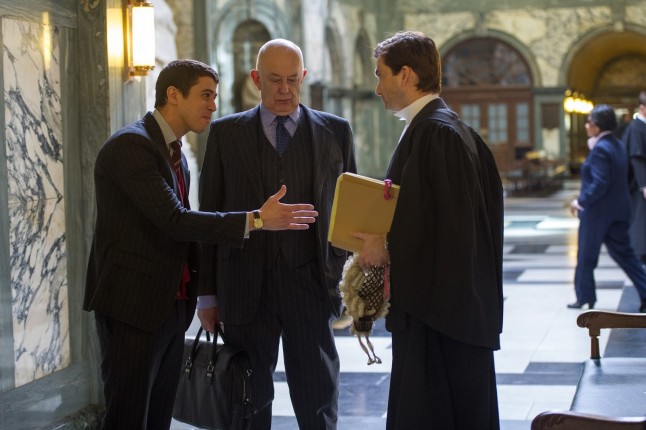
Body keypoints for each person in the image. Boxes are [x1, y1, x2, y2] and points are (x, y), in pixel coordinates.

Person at [83, 59, 319, 430]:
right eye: (205, 95)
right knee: (128, 416)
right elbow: (175, 220)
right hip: (133, 307)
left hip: (169, 308)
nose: (213, 105)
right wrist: (257, 219)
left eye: (214, 96)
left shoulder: (173, 152)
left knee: (158, 417)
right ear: (173, 95)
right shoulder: (131, 145)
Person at [197, 39, 356, 430]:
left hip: (312, 284)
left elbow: (349, 210)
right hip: (244, 286)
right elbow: (209, 219)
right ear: (256, 79)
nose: (284, 89)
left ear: (303, 77)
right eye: (274, 80)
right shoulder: (225, 134)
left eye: (292, 79)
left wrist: (347, 278)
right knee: (247, 400)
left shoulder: (336, 131)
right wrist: (208, 295)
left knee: (318, 396)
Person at [352, 31, 504, 429]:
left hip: (440, 317)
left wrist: (383, 244)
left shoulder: (435, 133)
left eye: (380, 74)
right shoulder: (446, 128)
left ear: (405, 75)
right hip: (447, 309)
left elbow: (445, 228)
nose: (377, 87)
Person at [568, 104, 646, 312]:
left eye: (589, 122)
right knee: (626, 256)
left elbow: (600, 182)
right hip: (619, 211)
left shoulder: (601, 149)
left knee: (586, 257)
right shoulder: (617, 144)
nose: (586, 125)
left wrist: (581, 201)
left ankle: (585, 297)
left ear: (597, 125)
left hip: (597, 214)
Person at [622, 91, 646, 264]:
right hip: (638, 183)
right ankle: (640, 250)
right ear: (642, 108)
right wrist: (644, 185)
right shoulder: (636, 127)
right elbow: (636, 157)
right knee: (640, 216)